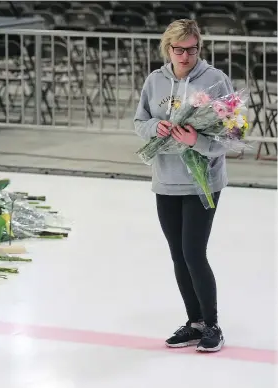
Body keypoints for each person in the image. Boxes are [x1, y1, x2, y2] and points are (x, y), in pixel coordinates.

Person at [133, 19, 234, 353]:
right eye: (179, 49)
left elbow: (232, 135)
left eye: (191, 49)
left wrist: (197, 141)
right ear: (168, 48)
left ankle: (212, 325)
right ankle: (194, 323)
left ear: (199, 48)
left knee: (194, 252)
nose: (185, 55)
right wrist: (154, 127)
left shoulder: (216, 80)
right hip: (166, 180)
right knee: (178, 254)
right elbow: (140, 121)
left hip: (203, 182)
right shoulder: (154, 81)